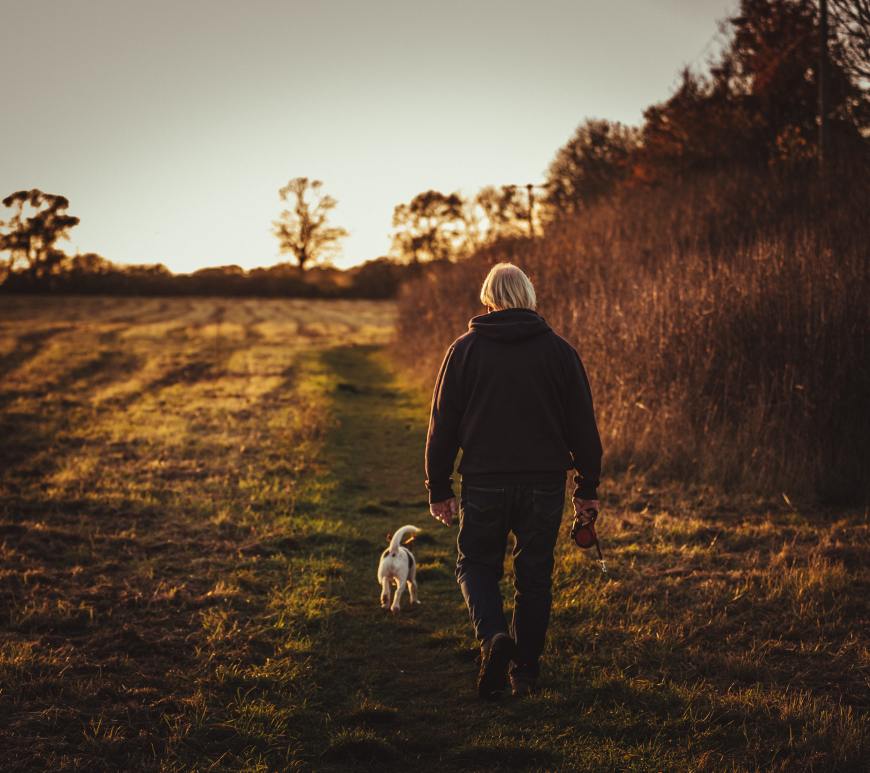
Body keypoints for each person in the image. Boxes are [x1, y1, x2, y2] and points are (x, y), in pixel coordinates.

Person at [425, 262, 602, 699]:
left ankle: (493, 638)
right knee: (534, 575)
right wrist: (587, 489)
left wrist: (439, 487)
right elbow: (584, 428)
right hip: (544, 483)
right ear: (529, 297)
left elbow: (442, 424)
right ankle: (524, 672)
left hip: (484, 481)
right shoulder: (560, 352)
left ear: (488, 298)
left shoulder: (463, 351)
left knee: (475, 564)